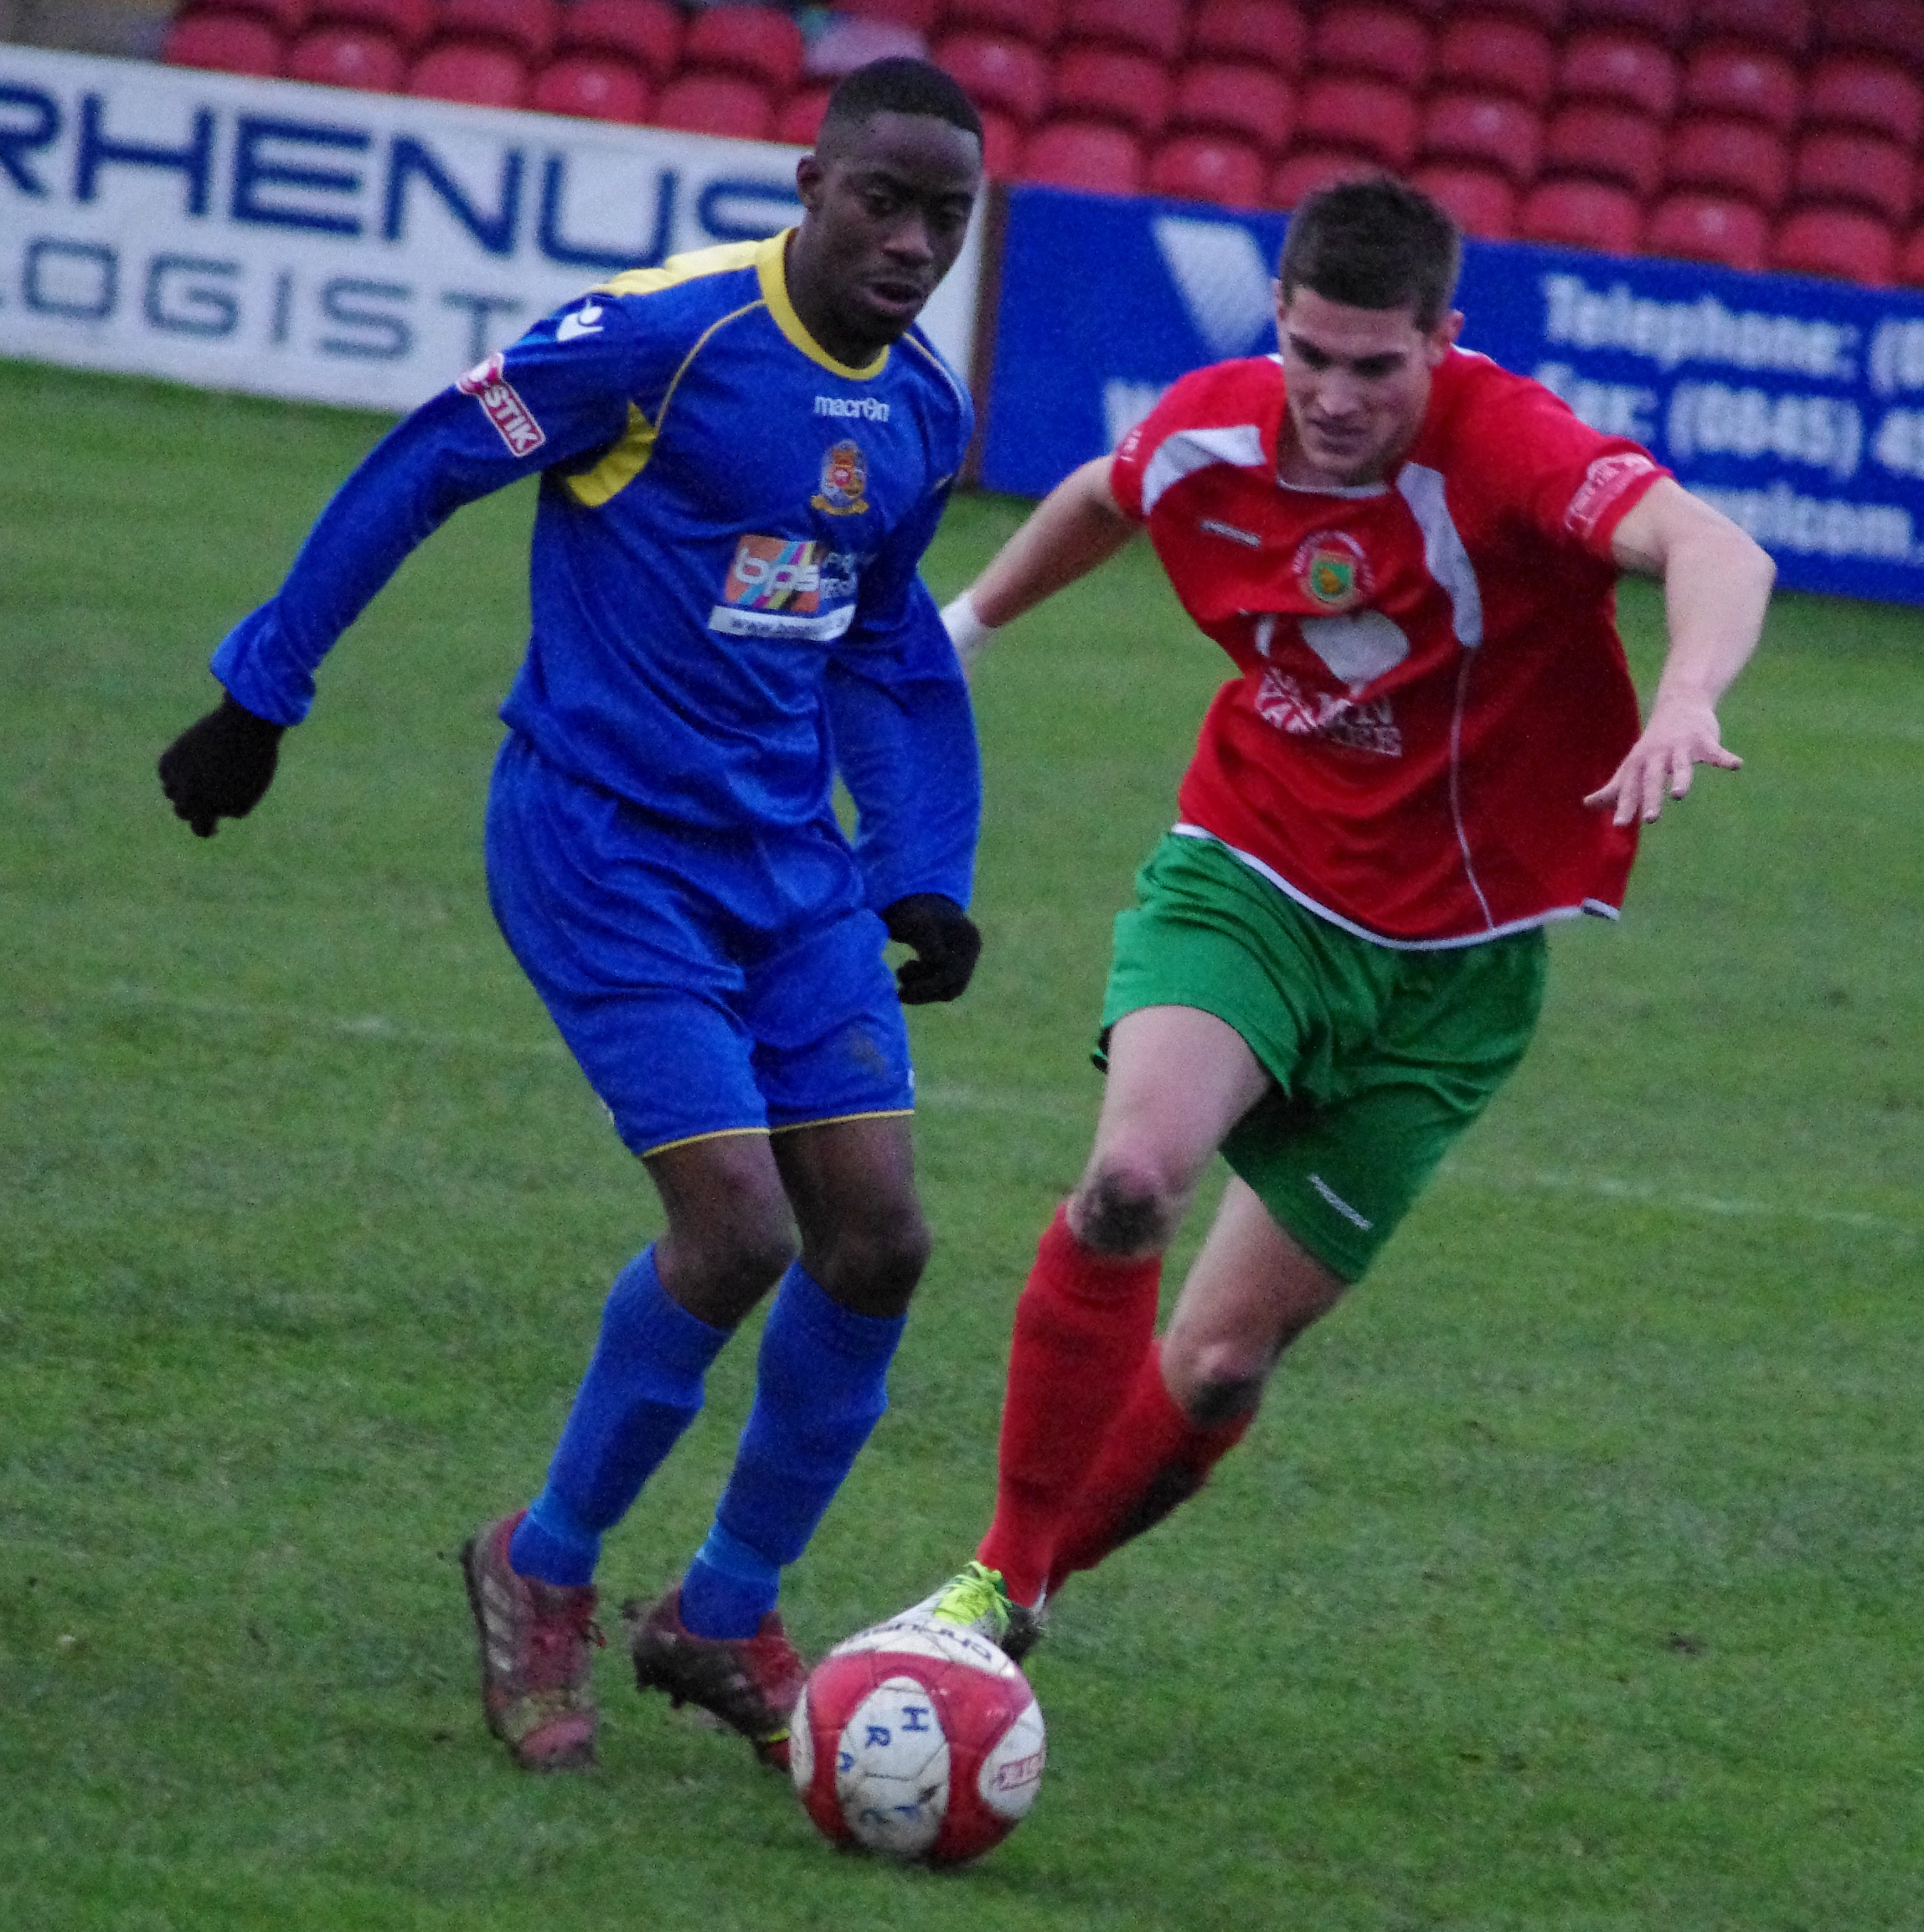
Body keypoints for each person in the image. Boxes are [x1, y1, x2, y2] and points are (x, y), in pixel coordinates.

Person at [157, 58, 989, 1773]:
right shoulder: (661, 335)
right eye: (882, 201)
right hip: (602, 844)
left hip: (792, 868)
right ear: (811, 179)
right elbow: (423, 467)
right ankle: (537, 1573)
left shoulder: (918, 410)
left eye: (946, 217)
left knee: (880, 1241)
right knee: (740, 1228)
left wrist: (921, 861)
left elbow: (885, 641)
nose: (912, 242)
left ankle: (722, 1608)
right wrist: (263, 692)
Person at [897, 175, 1775, 1658]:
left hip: (1453, 973)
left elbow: (1719, 550)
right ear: (1280, 324)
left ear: (1442, 340)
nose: (1333, 396)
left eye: (1376, 365)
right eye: (1309, 353)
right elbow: (1109, 494)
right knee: (1129, 1185)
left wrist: (1685, 694)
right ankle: (990, 1583)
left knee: (1224, 1361)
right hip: (1254, 876)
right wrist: (959, 631)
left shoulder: (1504, 446)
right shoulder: (1218, 421)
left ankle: (1013, 1606)